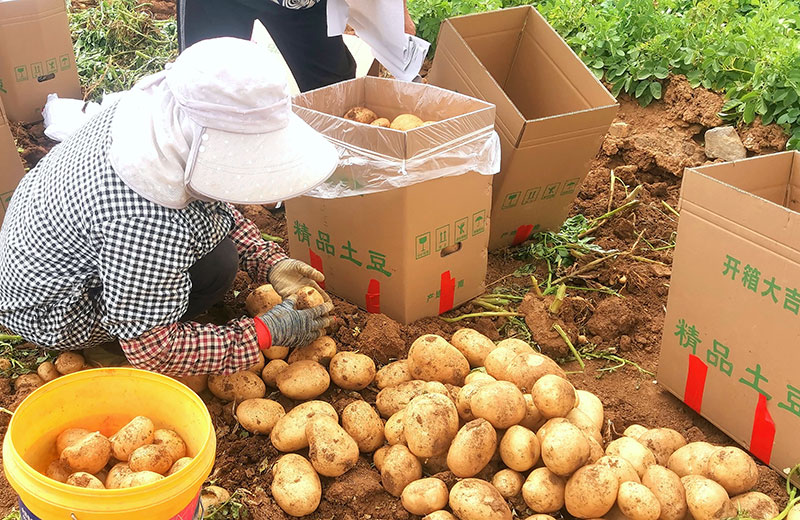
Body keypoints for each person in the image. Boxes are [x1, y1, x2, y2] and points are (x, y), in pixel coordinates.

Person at [0, 38, 339, 377]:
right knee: (216, 269)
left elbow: (208, 198)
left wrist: (267, 260)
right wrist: (265, 332)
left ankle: (140, 309)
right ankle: (110, 341)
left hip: (45, 251)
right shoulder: (143, 220)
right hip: (52, 309)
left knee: (218, 257)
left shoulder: (159, 123)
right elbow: (153, 352)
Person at [177, 0, 416, 93]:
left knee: (334, 90)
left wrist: (396, 12)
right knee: (206, 88)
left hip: (303, 5)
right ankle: (209, 193)